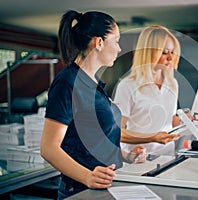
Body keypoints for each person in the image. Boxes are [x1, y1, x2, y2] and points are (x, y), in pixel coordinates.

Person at [40, 10, 145, 199]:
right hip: (80, 189)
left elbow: (94, 139)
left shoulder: (93, 82)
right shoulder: (67, 82)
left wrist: (126, 156)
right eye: (116, 41)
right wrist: (88, 177)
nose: (120, 48)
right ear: (99, 42)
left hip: (104, 185)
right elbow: (48, 148)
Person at [113, 25, 182, 156]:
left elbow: (170, 120)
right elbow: (117, 131)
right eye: (164, 52)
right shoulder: (127, 86)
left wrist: (190, 121)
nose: (170, 58)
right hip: (137, 156)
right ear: (149, 53)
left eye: (173, 52)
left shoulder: (173, 84)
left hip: (167, 155)